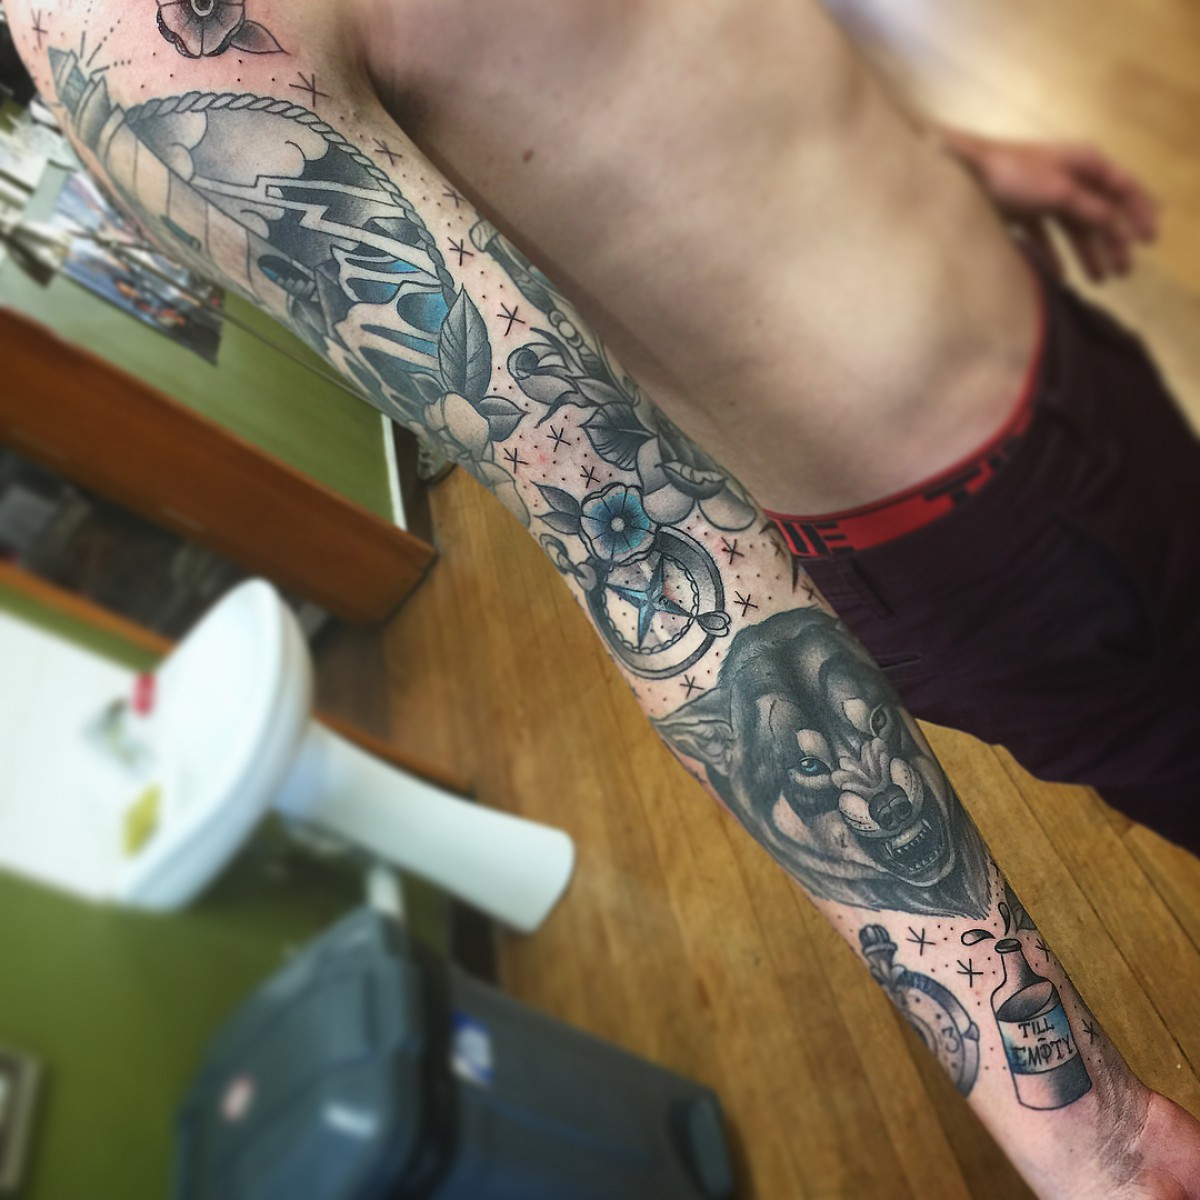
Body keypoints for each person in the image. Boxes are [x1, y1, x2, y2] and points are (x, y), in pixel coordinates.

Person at [9, 0, 1200, 1194]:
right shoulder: (133, 36)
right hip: (976, 533)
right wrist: (1093, 1136)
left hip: (1041, 335)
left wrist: (944, 165)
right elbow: (634, 543)